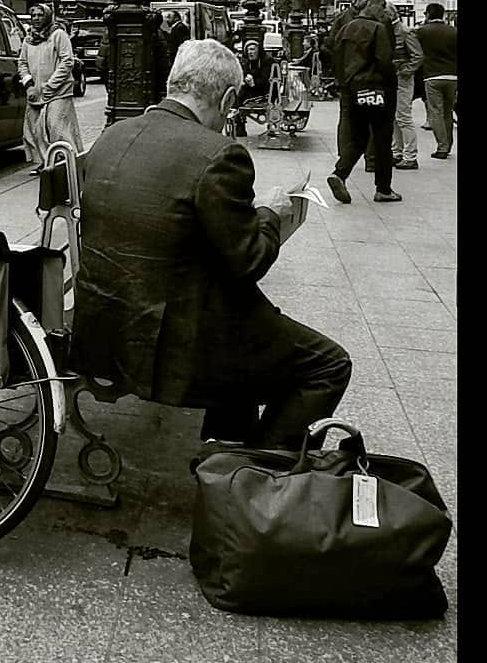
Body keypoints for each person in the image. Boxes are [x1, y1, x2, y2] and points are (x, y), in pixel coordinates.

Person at [69, 39, 352, 449]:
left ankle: (224, 444)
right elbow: (249, 260)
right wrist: (270, 212)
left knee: (256, 330)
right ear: (229, 98)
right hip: (170, 348)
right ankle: (260, 472)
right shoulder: (220, 154)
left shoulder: (113, 135)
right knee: (328, 363)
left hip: (103, 328)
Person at [327, 0, 401, 203]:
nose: (384, 8)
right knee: (382, 138)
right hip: (376, 88)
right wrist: (391, 86)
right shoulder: (378, 29)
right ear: (370, 4)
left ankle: (339, 173)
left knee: (358, 138)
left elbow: (334, 57)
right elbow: (384, 61)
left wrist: (344, 84)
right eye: (382, 4)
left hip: (351, 89)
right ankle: (384, 189)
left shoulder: (346, 29)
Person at [17, 1, 83, 172]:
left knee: (56, 126)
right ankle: (45, 161)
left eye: (40, 15)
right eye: (34, 16)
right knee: (35, 129)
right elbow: (22, 63)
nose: (37, 19)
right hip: (35, 92)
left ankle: (68, 160)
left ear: (48, 17)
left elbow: (67, 61)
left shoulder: (58, 35)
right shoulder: (29, 39)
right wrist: (29, 84)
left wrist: (51, 85)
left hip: (58, 91)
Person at [414, 3, 458, 159]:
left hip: (432, 76)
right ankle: (448, 144)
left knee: (436, 113)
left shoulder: (421, 32)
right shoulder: (454, 31)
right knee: (448, 111)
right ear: (443, 14)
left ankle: (442, 147)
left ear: (427, 15)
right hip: (453, 77)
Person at [386, 3, 424, 170]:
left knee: (403, 117)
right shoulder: (390, 31)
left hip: (402, 78)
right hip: (394, 77)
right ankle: (397, 152)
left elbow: (418, 55)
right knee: (394, 116)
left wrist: (407, 70)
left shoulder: (405, 31)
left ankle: (410, 155)